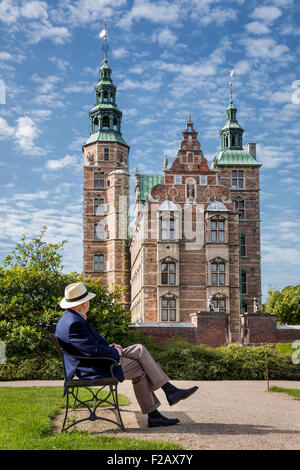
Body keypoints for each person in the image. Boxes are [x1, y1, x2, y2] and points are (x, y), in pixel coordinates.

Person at [55, 282, 198, 428]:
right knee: (140, 370)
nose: (89, 302)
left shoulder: (71, 318)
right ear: (84, 303)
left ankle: (169, 391)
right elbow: (93, 351)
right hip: (96, 367)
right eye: (88, 300)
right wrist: (115, 352)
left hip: (95, 361)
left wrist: (110, 347)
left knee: (139, 349)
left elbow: (88, 346)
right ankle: (158, 409)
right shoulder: (74, 323)